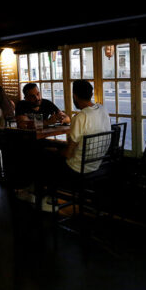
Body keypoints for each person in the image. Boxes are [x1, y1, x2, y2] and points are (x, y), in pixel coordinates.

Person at [35, 79, 111, 210]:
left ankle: (48, 201)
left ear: (75, 96)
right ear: (91, 94)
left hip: (78, 168)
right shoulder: (103, 109)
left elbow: (69, 154)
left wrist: (56, 151)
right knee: (52, 153)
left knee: (44, 158)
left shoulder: (80, 117)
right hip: (98, 164)